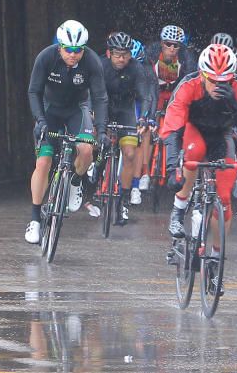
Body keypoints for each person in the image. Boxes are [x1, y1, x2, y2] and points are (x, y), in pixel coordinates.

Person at [160, 45, 237, 253]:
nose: (218, 86)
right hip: (193, 129)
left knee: (224, 199)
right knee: (194, 152)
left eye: (224, 82)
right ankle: (179, 209)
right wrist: (172, 169)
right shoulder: (189, 85)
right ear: (202, 74)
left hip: (221, 135)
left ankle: (216, 255)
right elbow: (171, 129)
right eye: (213, 81)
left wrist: (235, 106)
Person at [25, 20, 108, 244]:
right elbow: (34, 91)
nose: (73, 54)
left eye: (78, 50)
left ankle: (74, 182)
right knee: (43, 162)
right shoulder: (46, 57)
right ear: (59, 46)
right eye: (68, 49)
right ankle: (34, 218)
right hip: (50, 110)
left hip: (76, 110)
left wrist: (101, 130)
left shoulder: (91, 62)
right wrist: (40, 120)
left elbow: (100, 98)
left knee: (86, 149)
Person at [135, 25, 196, 204]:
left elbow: (188, 83)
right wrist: (150, 114)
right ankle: (145, 173)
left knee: (181, 126)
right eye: (168, 44)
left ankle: (177, 164)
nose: (171, 49)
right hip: (156, 90)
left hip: (176, 92)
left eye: (176, 45)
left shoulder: (186, 58)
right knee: (147, 125)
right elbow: (148, 85)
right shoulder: (151, 54)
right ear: (161, 43)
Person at [99, 31, 154, 224]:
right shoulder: (100, 66)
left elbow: (145, 96)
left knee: (130, 154)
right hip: (104, 108)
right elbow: (89, 92)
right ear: (109, 53)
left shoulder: (136, 68)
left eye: (125, 54)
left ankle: (122, 201)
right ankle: (95, 168)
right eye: (117, 54)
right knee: (97, 142)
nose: (121, 58)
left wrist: (143, 119)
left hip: (125, 111)